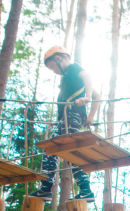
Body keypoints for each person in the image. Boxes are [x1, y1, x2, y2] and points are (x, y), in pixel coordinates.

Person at [34, 46, 100, 201]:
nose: (54, 72)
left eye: (52, 68)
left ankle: (79, 189)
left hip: (70, 116)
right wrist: (90, 116)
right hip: (65, 119)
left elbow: (88, 78)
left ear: (59, 59)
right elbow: (99, 95)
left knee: (63, 150)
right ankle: (79, 189)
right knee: (59, 150)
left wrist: (87, 97)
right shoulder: (68, 79)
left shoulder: (73, 68)